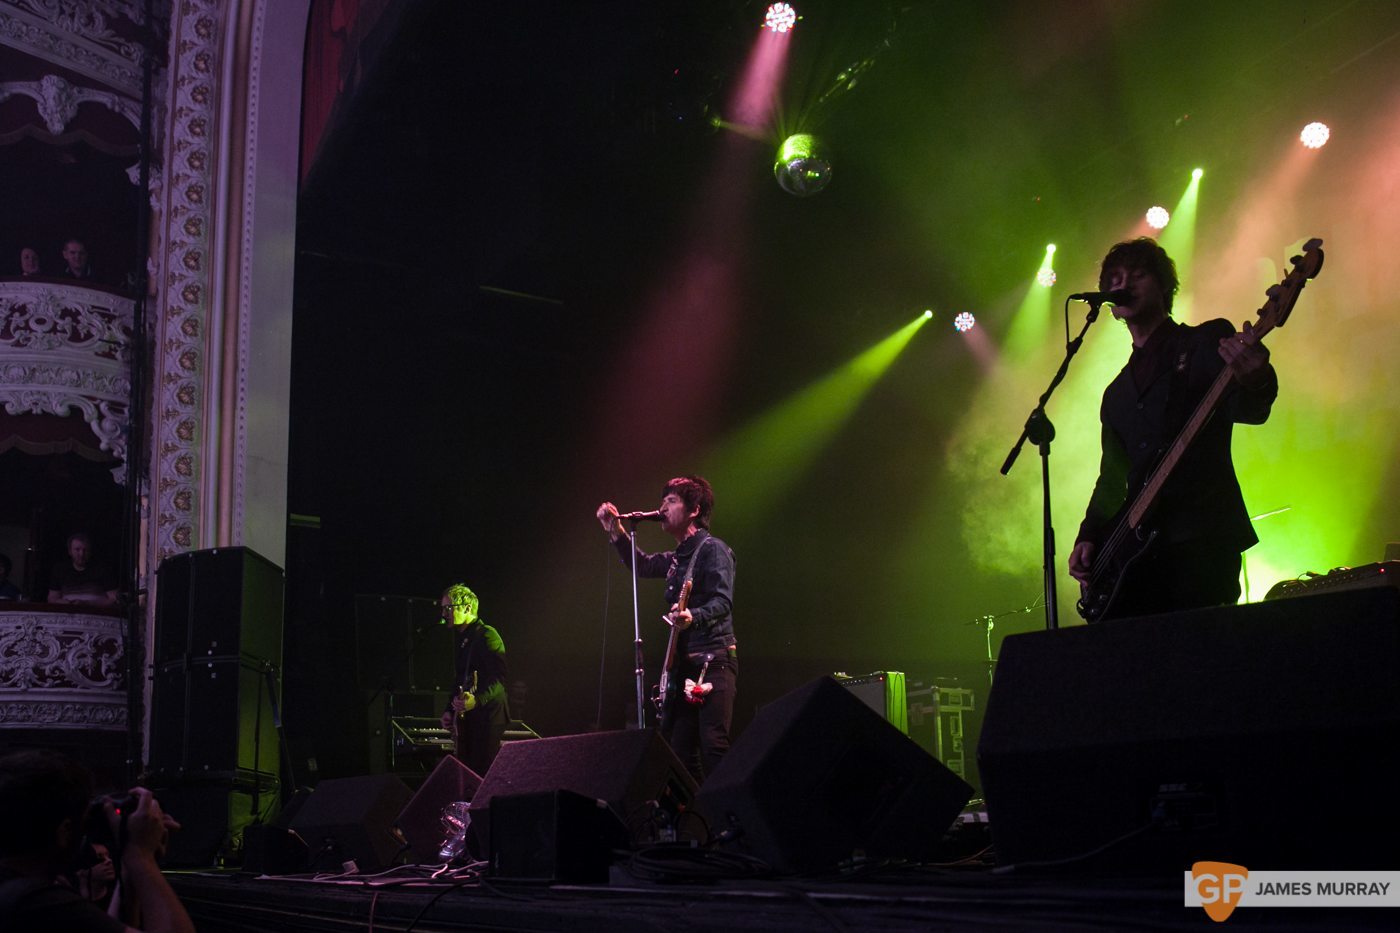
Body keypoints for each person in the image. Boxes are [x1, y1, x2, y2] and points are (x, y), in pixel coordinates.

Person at [1068, 237, 1277, 621]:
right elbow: (1113, 478)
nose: (1122, 282)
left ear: (1164, 286)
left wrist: (1258, 377)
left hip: (1201, 540)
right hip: (1138, 558)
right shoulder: (1116, 395)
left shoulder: (1203, 341)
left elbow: (1249, 409)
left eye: (1138, 274)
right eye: (1114, 277)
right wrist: (1090, 535)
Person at [596, 475, 737, 783]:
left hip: (713, 661)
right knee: (680, 753)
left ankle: (731, 819)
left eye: (671, 501)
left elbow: (722, 602)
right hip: (684, 667)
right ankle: (699, 822)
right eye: (663, 501)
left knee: (713, 746)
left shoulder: (713, 550)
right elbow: (643, 566)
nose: (661, 507)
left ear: (694, 510)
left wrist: (692, 616)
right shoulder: (678, 558)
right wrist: (617, 530)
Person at [0, 749, 195, 933]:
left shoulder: (13, 889)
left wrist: (128, 873)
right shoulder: (34, 902)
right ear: (64, 831)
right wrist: (141, 856)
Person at [436, 583, 509, 776]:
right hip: (471, 718)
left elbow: (499, 678)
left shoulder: (488, 635)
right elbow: (461, 678)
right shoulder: (462, 639)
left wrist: (477, 700)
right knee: (466, 773)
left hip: (488, 717)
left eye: (448, 608)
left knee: (482, 774)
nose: (444, 614)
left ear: (467, 608)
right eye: (442, 608)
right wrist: (449, 710)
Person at [47, 533, 120, 607]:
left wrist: (88, 604)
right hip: (68, 615)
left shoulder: (103, 569)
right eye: (77, 550)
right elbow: (52, 598)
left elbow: (114, 599)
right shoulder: (60, 569)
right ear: (70, 551)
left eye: (85, 550)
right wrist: (66, 604)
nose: (81, 554)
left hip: (95, 614)